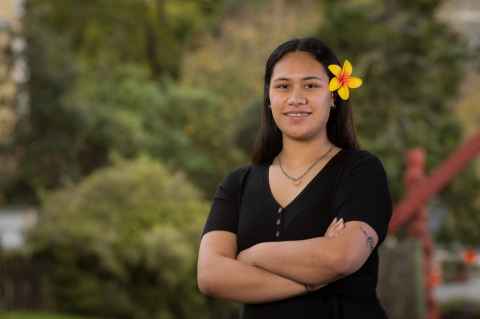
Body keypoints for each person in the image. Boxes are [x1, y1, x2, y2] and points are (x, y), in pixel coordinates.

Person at [197, 37, 393, 319]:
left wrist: (255, 255)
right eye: (283, 86)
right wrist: (315, 278)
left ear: (334, 95)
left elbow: (342, 257)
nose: (295, 98)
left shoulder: (360, 171)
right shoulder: (237, 184)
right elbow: (210, 275)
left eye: (311, 85)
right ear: (269, 97)